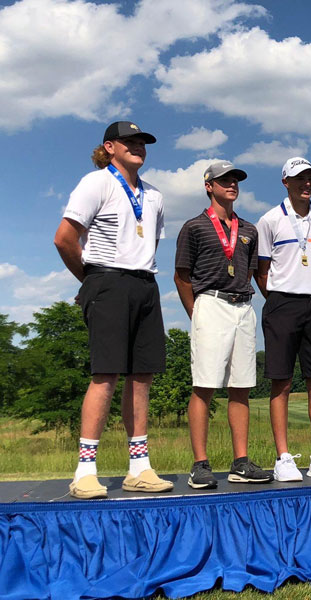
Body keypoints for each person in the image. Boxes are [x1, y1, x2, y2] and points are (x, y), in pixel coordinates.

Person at [53, 121, 174, 499]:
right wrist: (88, 280)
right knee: (105, 374)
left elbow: (149, 242)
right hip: (106, 280)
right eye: (130, 141)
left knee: (142, 377)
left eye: (143, 142)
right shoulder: (97, 183)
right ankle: (85, 470)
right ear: (109, 147)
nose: (139, 147)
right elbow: (64, 238)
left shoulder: (153, 195)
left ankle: (138, 467)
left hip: (145, 283)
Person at [174, 160, 273, 488]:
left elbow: (249, 272)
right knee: (204, 385)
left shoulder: (248, 230)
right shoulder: (194, 226)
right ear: (209, 185)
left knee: (241, 387)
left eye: (235, 180)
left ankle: (240, 462)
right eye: (224, 180)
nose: (231, 184)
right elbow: (182, 276)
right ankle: (200, 464)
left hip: (242, 307)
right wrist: (197, 313)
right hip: (210, 303)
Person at [256, 157, 311, 479]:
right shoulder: (269, 220)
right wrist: (282, 298)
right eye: (299, 178)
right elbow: (262, 272)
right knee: (281, 383)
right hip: (282, 303)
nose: (306, 183)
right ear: (285, 182)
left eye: (310, 178)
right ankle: (283, 458)